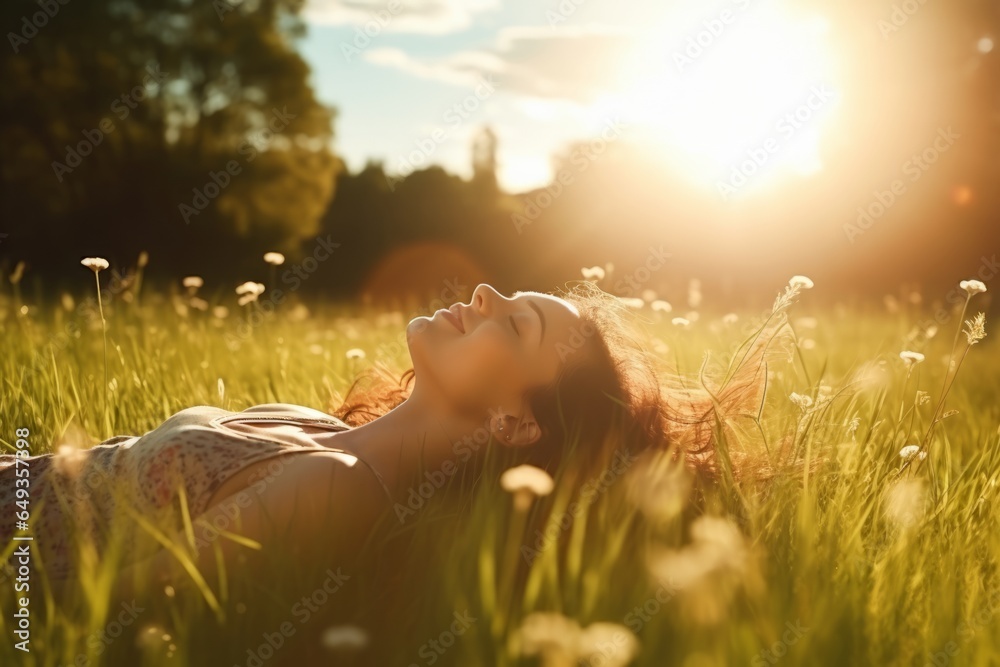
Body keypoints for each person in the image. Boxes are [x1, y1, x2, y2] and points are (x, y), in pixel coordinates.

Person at [0, 281, 796, 606]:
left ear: (517, 425)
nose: (482, 292)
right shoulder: (322, 431)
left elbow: (94, 617)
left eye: (514, 322)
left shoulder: (341, 490)